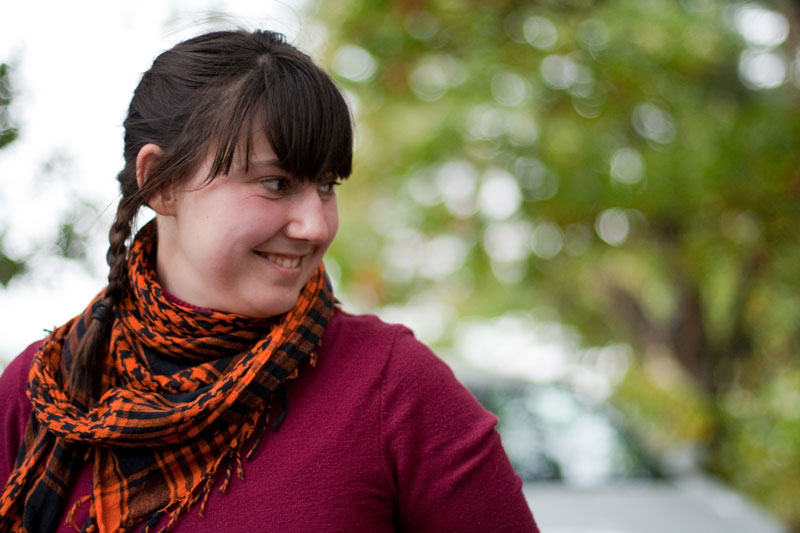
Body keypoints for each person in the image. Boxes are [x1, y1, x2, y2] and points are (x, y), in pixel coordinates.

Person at [0, 29, 538, 532]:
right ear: (161, 182)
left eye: (327, 186)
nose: (317, 225)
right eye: (276, 183)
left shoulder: (395, 388)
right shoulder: (39, 390)